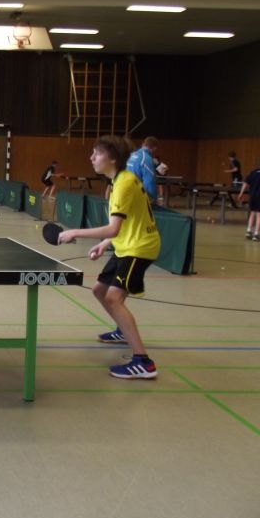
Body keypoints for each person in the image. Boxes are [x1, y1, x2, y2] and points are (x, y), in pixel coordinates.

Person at [59, 135, 161, 380]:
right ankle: (123, 330)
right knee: (99, 290)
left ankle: (143, 362)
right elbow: (126, 223)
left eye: (97, 153)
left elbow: (113, 228)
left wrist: (75, 232)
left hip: (139, 248)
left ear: (113, 158)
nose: (91, 158)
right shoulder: (120, 181)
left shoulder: (124, 183)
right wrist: (105, 243)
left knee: (114, 299)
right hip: (126, 245)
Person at [238, 157, 260, 242]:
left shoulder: (252, 172)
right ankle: (256, 234)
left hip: (252, 196)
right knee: (259, 215)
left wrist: (241, 193)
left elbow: (245, 183)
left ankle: (248, 231)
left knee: (252, 213)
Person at [126, 136, 158, 203]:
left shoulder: (131, 155)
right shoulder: (146, 158)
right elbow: (149, 182)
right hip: (136, 196)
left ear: (143, 144)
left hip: (124, 192)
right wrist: (153, 198)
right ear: (155, 148)